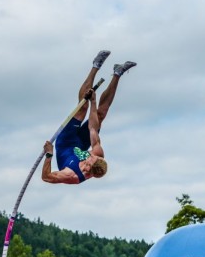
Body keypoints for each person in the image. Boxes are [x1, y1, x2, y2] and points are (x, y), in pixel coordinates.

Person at [42, 51, 136, 185]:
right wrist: (93, 101)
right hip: (80, 143)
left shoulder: (71, 175)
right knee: (100, 114)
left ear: (88, 168)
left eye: (90, 158)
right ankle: (117, 73)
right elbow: (93, 128)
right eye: (93, 156)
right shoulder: (98, 156)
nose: (91, 154)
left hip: (65, 141)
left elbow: (46, 177)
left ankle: (95, 66)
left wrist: (49, 155)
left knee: (82, 109)